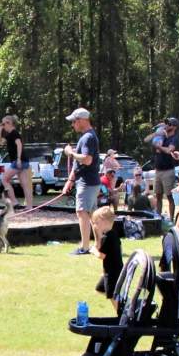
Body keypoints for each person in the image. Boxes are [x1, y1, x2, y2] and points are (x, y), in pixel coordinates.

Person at [61, 108, 100, 255]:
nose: (72, 125)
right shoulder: (87, 136)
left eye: (74, 121)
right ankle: (98, 245)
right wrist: (70, 180)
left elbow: (87, 160)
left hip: (87, 182)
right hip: (88, 181)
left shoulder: (88, 137)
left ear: (82, 120)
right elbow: (80, 164)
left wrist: (70, 153)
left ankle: (84, 247)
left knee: (82, 213)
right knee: (92, 215)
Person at [143, 117, 179, 220]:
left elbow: (169, 150)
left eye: (169, 124)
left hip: (168, 171)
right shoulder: (161, 136)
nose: (167, 125)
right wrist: (156, 133)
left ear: (174, 127)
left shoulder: (174, 138)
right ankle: (158, 218)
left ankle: (171, 219)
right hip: (158, 171)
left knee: (169, 196)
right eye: (166, 123)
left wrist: (158, 147)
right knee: (158, 195)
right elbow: (146, 140)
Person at [90, 206, 124, 310]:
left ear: (103, 221)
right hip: (114, 269)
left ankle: (121, 314)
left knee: (113, 296)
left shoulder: (107, 238)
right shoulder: (113, 234)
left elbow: (102, 255)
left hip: (113, 272)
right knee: (100, 288)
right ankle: (122, 304)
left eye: (96, 222)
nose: (95, 225)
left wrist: (93, 251)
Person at [0, 116, 33, 209]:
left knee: (4, 179)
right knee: (25, 185)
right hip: (22, 161)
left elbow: (19, 144)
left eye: (4, 124)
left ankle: (14, 201)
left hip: (18, 161)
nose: (3, 125)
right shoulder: (9, 135)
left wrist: (18, 159)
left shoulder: (14, 133)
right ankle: (29, 207)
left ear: (9, 123)